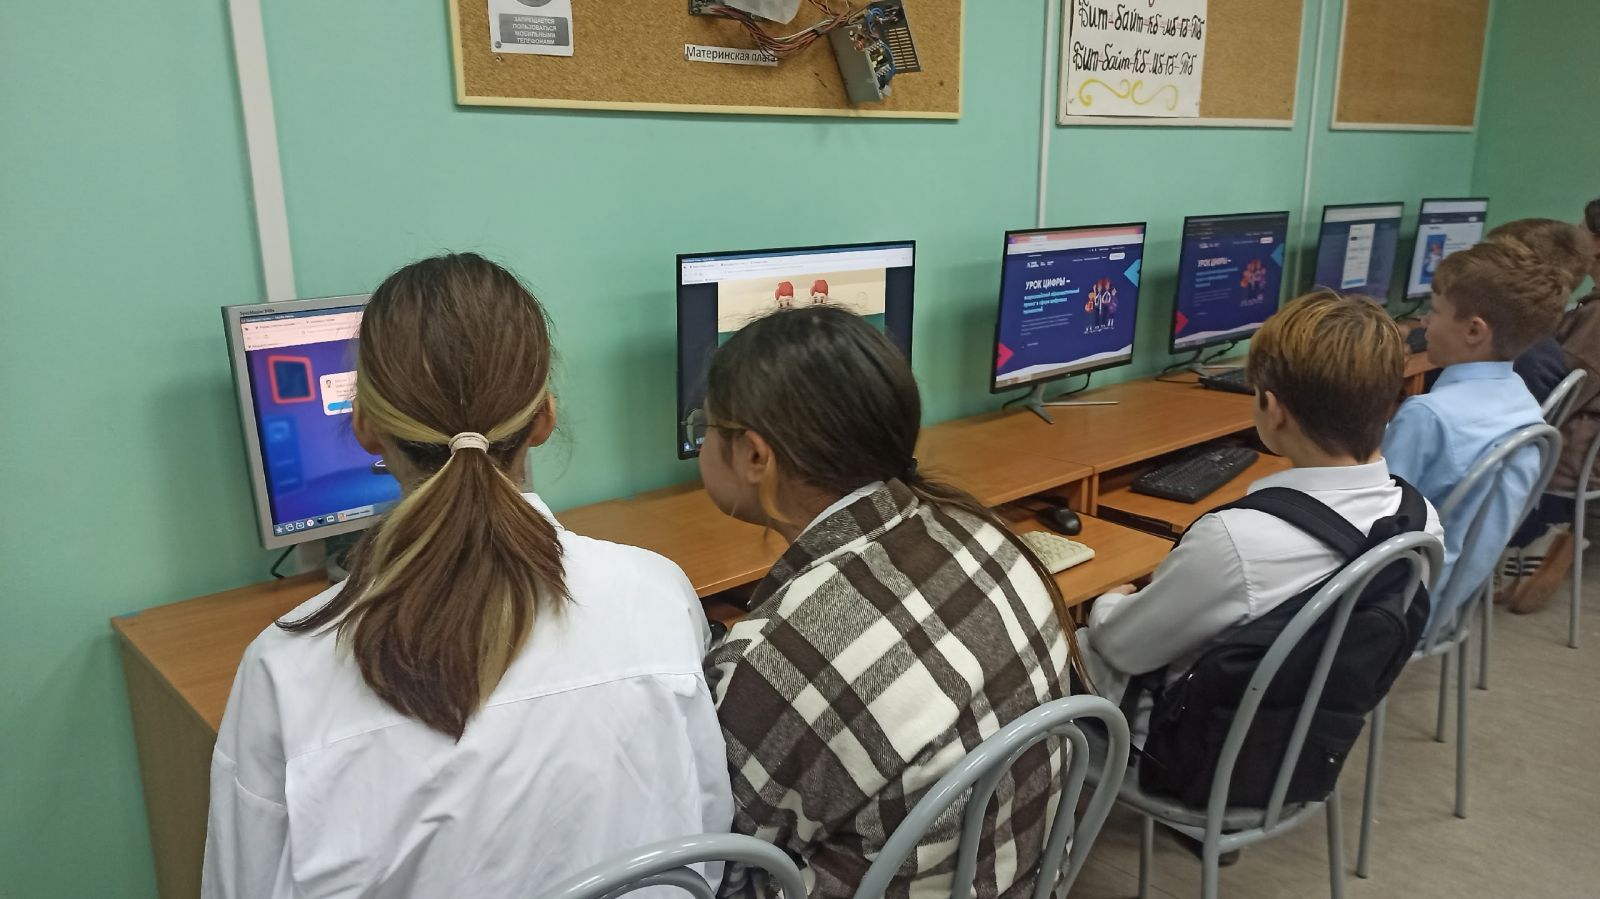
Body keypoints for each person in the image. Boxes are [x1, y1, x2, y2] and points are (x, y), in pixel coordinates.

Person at [202, 254, 732, 898]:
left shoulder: (287, 669)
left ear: (365, 427)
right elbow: (708, 836)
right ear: (544, 419)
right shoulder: (657, 594)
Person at [699, 306, 1090, 899]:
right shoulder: (982, 534)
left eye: (705, 425)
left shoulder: (779, 657)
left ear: (756, 456)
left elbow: (721, 866)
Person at [1079, 292, 1443, 738]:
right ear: (1389, 401)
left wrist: (1106, 604)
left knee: (1053, 633)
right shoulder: (1420, 522)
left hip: (1175, 745)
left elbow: (1121, 649)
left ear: (1273, 410)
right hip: (1299, 741)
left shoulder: (1235, 541)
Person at [1383, 240, 1568, 632]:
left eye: (1434, 311)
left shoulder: (1428, 416)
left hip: (1396, 613)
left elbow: (1374, 520)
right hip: (1452, 601)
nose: (1425, 323)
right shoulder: (1521, 400)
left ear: (1473, 330)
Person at [1505, 202, 1600, 611]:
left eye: (1582, 230)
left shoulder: (1596, 317)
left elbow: (1555, 394)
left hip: (1572, 453)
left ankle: (1537, 536)